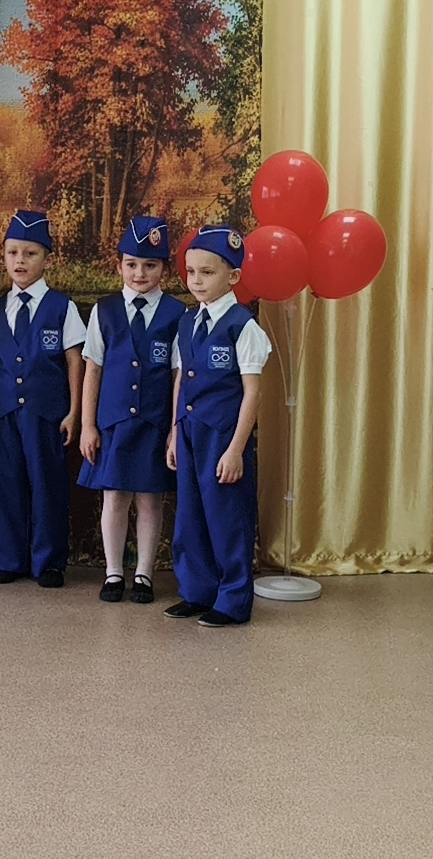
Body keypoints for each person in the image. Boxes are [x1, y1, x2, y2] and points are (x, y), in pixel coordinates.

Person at [165, 228, 271, 627]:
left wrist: (235, 449)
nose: (196, 281)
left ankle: (232, 601)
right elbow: (181, 380)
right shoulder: (187, 322)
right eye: (191, 272)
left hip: (222, 436)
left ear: (233, 277)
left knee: (227, 518)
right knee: (190, 515)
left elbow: (252, 392)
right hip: (189, 432)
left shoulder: (243, 327)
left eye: (207, 273)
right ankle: (197, 591)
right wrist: (174, 432)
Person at [80, 216, 185, 605]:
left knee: (150, 499)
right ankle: (113, 572)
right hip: (113, 424)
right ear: (119, 265)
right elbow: (93, 370)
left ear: (164, 270)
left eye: (150, 265)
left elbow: (178, 376)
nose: (140, 273)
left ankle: (143, 573)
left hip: (154, 424)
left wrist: (174, 429)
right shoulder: (104, 310)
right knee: (114, 497)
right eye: (131, 264)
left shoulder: (177, 314)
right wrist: (88, 425)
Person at [0, 211, 85, 589]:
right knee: (9, 484)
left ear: (47, 259)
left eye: (30, 253)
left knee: (47, 485)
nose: (20, 261)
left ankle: (50, 561)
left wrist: (74, 411)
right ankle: (10, 559)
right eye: (13, 253)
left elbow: (75, 361)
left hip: (47, 414)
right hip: (7, 414)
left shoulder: (62, 307)